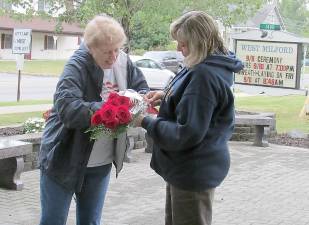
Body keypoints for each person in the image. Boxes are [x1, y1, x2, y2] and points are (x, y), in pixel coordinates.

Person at [38, 14, 149, 225]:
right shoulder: (76, 66)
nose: (114, 57)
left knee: (90, 222)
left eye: (117, 49)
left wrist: (136, 100)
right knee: (53, 221)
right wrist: (113, 107)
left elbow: (141, 88)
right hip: (64, 158)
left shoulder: (123, 60)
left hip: (101, 161)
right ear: (90, 48)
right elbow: (67, 108)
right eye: (107, 52)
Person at [135, 11, 243, 225]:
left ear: (198, 43)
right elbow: (194, 101)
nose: (178, 49)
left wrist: (145, 121)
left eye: (182, 44)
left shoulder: (204, 75)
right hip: (192, 168)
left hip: (193, 170)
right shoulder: (211, 64)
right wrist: (166, 96)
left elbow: (187, 133)